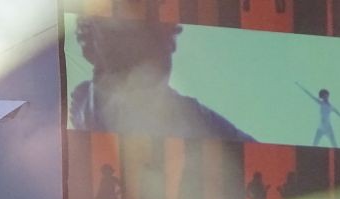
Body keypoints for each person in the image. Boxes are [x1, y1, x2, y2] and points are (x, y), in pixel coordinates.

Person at [69, 15, 255, 142]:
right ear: (92, 45)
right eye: (121, 33)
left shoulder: (206, 125)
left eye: (154, 33)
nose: (140, 47)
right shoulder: (74, 121)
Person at [296, 82, 340, 147]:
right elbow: (310, 95)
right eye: (324, 96)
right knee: (314, 144)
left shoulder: (331, 107)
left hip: (328, 127)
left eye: (326, 95)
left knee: (334, 145)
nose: (325, 97)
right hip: (321, 127)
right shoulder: (321, 103)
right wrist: (299, 85)